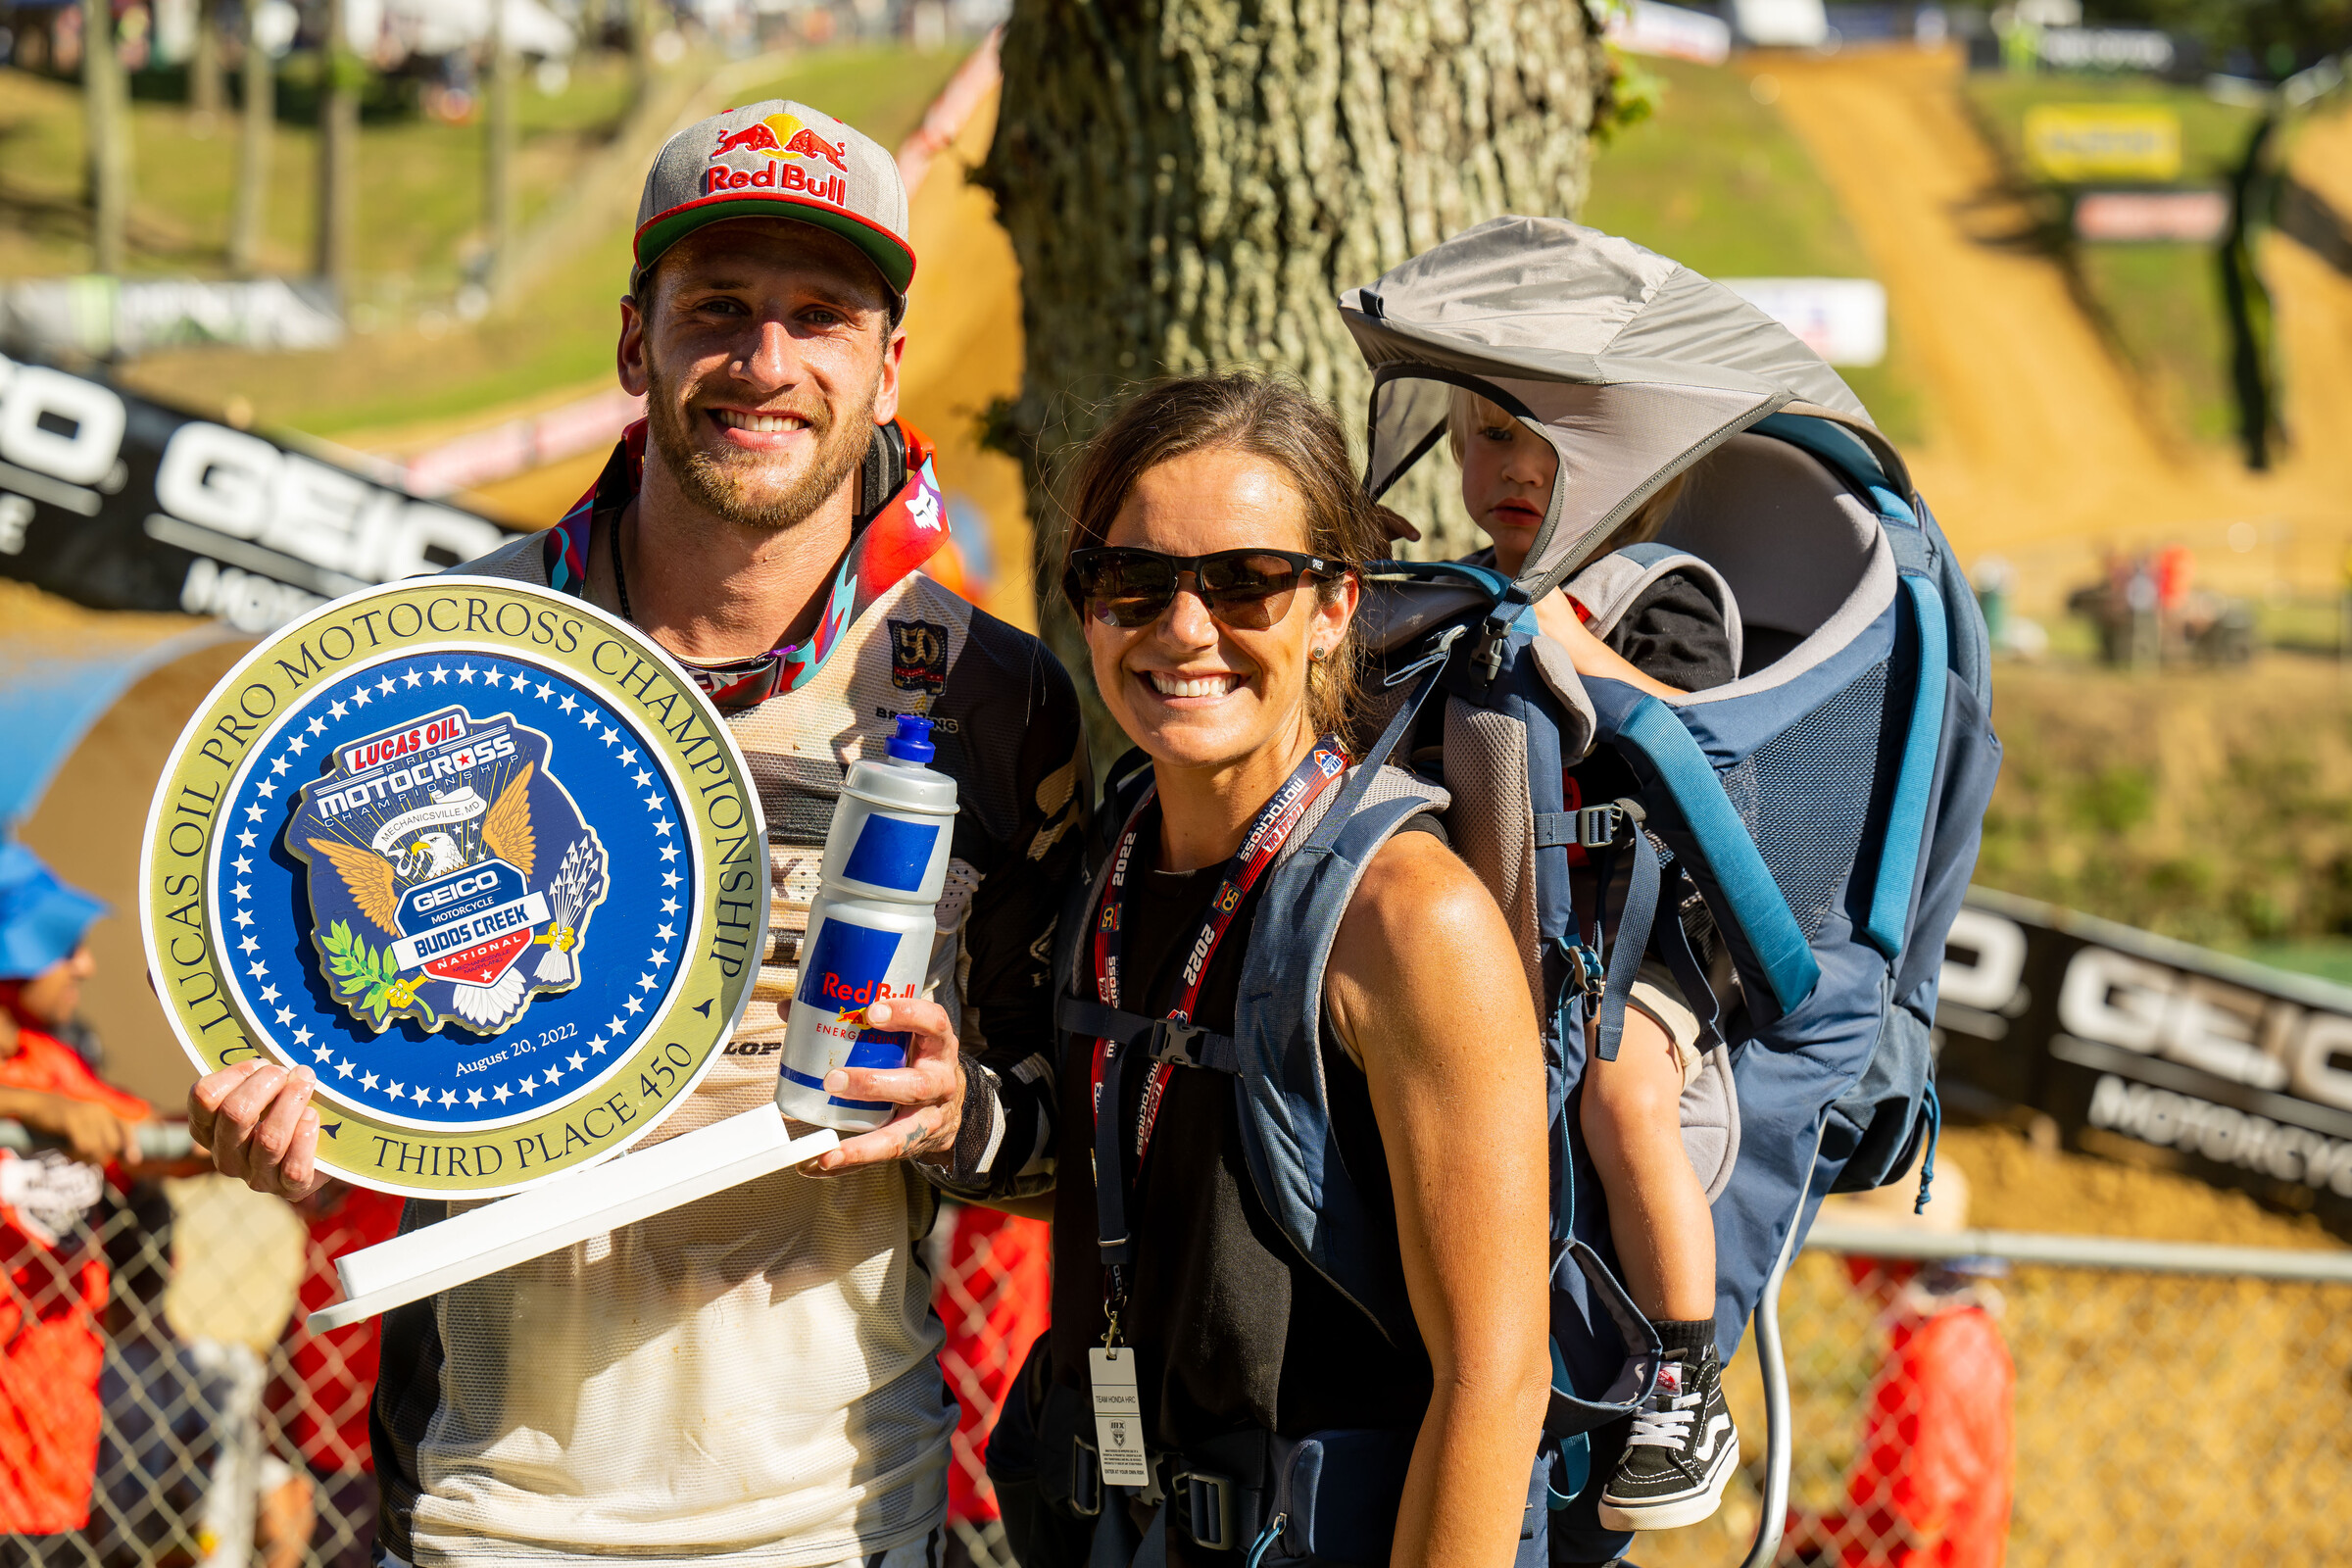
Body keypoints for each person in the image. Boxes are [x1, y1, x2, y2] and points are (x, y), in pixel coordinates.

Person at [188, 98, 1087, 1568]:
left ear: (886, 367)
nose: (766, 362)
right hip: (488, 1515)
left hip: (849, 1513)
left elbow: (1075, 1132)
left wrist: (960, 1115)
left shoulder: (993, 699)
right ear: (633, 341)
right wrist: (281, 1122)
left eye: (821, 317)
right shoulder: (431, 661)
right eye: (718, 310)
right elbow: (286, 1013)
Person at [1019, 373, 1553, 1567]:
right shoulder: (1108, 857)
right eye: (1134, 580)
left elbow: (1497, 1377)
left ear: (1334, 604)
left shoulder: (1409, 922)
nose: (1185, 628)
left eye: (1248, 581)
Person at [1450, 390, 1742, 1532]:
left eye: (1546, 444)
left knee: (1623, 1096)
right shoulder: (1464, 588)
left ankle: (1688, 1376)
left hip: (1656, 931)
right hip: (1508, 920)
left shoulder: (1661, 592)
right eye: (1486, 437)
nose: (1512, 467)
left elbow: (1707, 742)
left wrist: (1575, 647)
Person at [0, 843, 150, 1556]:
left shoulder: (54, 1061)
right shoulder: (35, 1084)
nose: (84, 967)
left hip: (52, 1436)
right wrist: (29, 1108)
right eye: (66, 949)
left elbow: (147, 1139)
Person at [1786, 1162, 2014, 1568]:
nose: (1841, 1258)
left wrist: (1803, 1528)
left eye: (1854, 1243)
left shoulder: (1939, 1348)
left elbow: (1915, 1522)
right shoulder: (1949, 1329)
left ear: (1893, 1254)